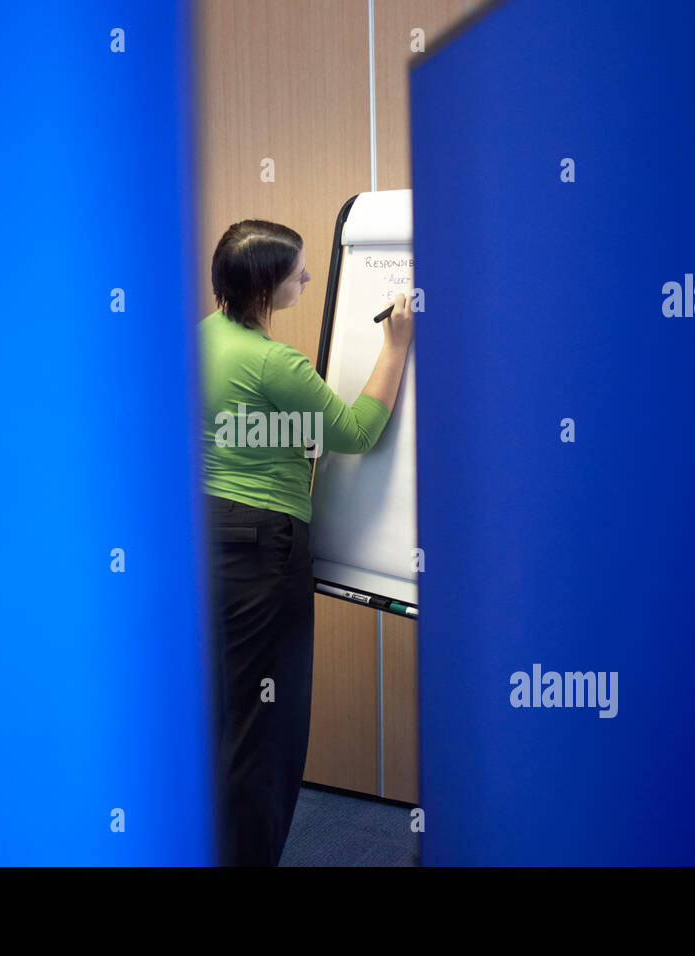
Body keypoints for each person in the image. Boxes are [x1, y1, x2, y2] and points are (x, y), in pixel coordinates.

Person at [199, 219, 414, 865]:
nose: (310, 278)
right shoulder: (273, 363)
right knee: (266, 730)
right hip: (264, 552)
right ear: (268, 285)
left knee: (224, 712)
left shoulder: (205, 339)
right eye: (299, 271)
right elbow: (353, 433)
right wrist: (396, 345)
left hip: (209, 536)